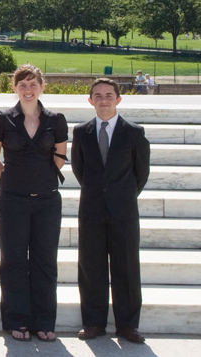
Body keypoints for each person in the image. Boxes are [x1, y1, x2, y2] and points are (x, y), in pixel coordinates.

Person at [0, 64, 67, 342]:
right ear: (14, 88)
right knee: (14, 261)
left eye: (33, 84)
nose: (28, 90)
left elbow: (59, 157)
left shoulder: (56, 120)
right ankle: (17, 320)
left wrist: (41, 179)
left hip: (47, 201)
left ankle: (44, 321)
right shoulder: (3, 118)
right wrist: (10, 179)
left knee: (46, 261)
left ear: (42, 86)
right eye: (22, 85)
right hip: (12, 201)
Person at [72, 78, 150, 344]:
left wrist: (123, 195)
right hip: (92, 209)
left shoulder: (134, 132)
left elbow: (141, 172)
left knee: (127, 266)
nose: (103, 99)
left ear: (118, 99)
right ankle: (93, 323)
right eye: (98, 95)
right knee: (90, 266)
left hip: (124, 210)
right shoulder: (81, 132)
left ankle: (127, 325)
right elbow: (79, 170)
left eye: (109, 95)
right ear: (90, 100)